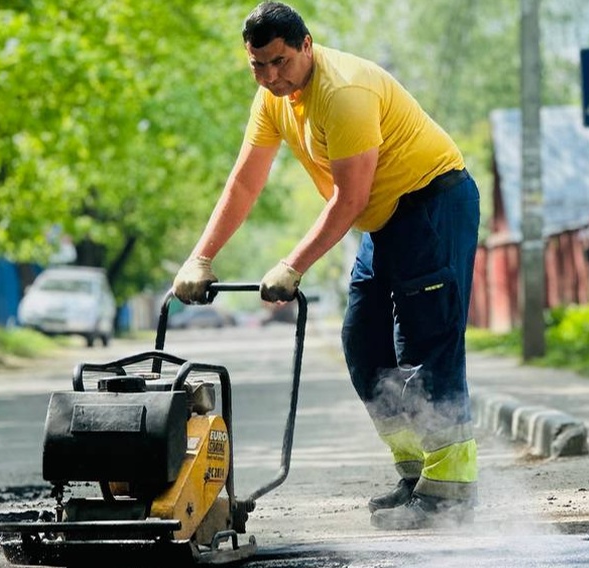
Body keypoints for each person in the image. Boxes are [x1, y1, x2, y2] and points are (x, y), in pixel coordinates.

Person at [173, 1, 480, 530]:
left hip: (432, 202)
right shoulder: (273, 100)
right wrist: (201, 257)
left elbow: (350, 196)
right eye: (258, 65)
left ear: (306, 46)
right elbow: (246, 181)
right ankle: (415, 479)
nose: (270, 76)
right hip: (382, 221)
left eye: (280, 61)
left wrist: (293, 265)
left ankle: (450, 493)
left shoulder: (343, 92)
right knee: (363, 345)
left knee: (427, 345)